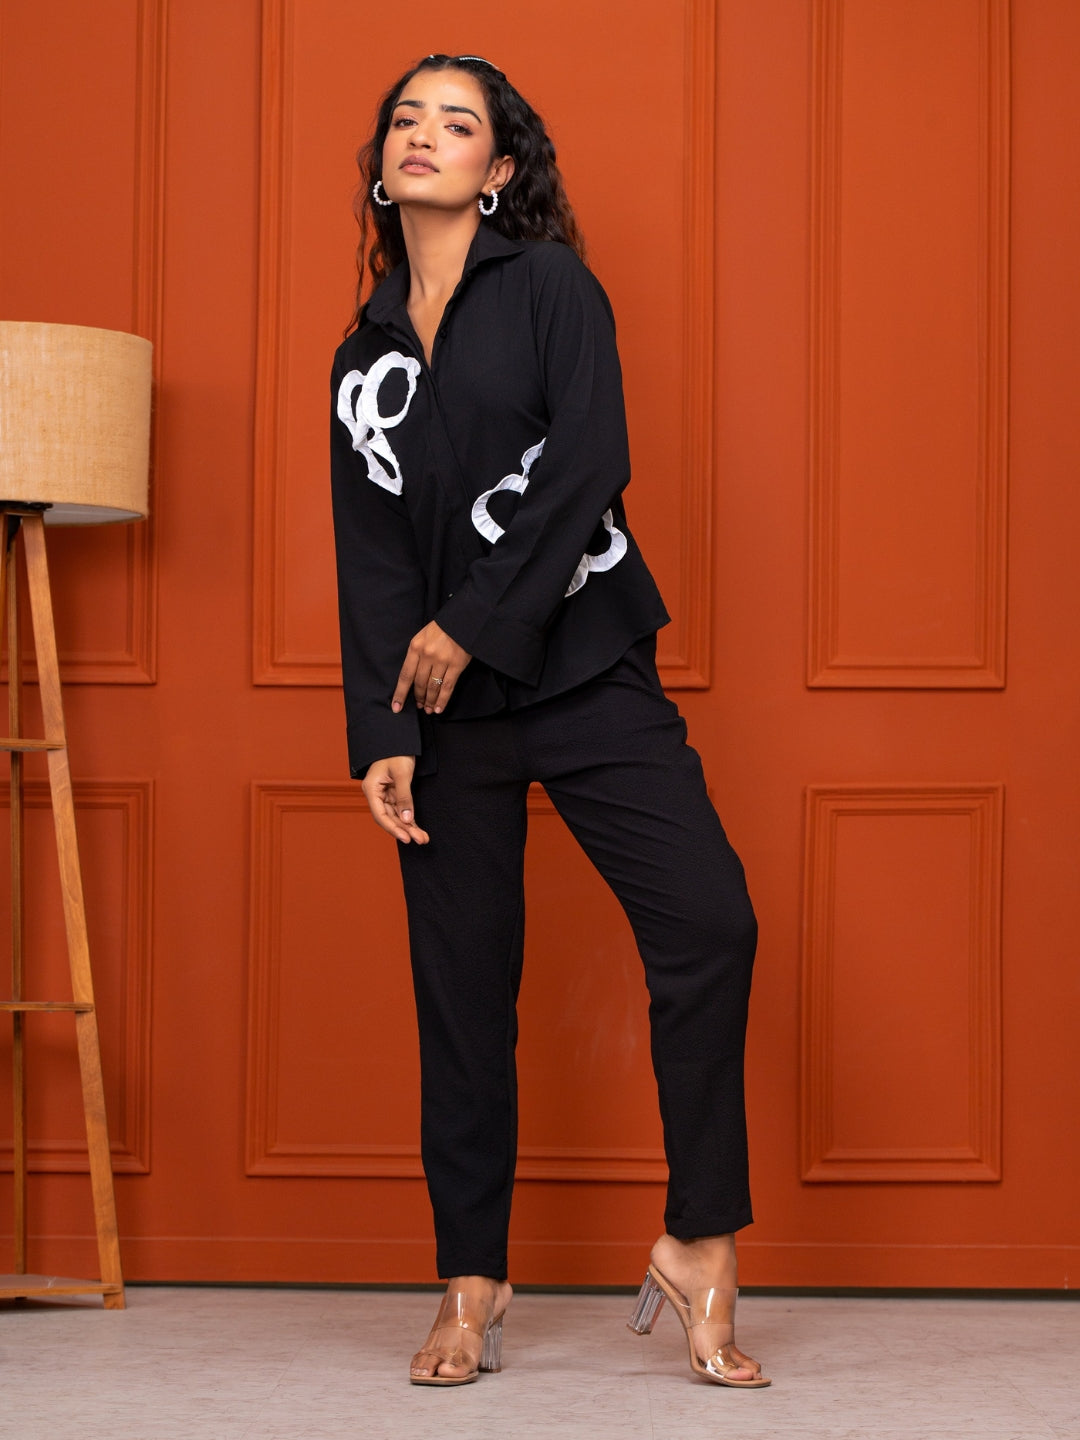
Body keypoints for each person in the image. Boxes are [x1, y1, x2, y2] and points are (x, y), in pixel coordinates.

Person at [330, 52, 769, 1390]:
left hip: (586, 670)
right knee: (463, 999)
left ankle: (700, 1241)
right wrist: (380, 731)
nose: (424, 135)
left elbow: (588, 464)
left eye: (457, 123)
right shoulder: (365, 353)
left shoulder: (553, 290)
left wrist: (471, 625)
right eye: (407, 118)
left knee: (710, 921)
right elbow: (371, 556)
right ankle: (471, 1282)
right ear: (385, 162)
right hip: (443, 716)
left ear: (499, 169)